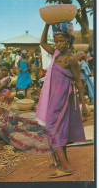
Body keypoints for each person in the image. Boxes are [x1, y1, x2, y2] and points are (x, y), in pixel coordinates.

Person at [36, 23, 88, 178]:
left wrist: (83, 104)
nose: (58, 44)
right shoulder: (56, 54)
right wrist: (46, 24)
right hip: (53, 98)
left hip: (63, 100)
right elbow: (42, 43)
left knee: (53, 128)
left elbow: (79, 81)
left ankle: (65, 167)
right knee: (58, 129)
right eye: (56, 41)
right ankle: (61, 160)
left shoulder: (71, 59)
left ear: (68, 41)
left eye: (61, 41)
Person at [0, 63, 14, 140]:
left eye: (5, 70)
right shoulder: (2, 78)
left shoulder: (8, 79)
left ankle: (2, 133)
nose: (3, 72)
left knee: (4, 114)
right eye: (2, 70)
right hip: (1, 98)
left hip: (5, 98)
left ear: (8, 71)